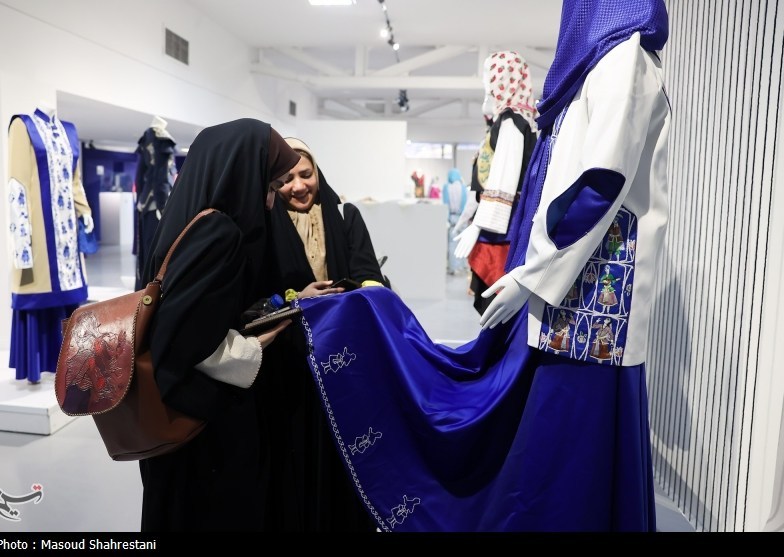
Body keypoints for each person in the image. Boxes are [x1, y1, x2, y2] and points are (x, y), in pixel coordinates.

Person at [286, 0, 669, 531]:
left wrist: (530, 275)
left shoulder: (622, 61)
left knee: (572, 448)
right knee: (557, 449)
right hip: (566, 291)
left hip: (589, 302)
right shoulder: (599, 68)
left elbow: (599, 182)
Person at [138, 118, 302, 531]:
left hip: (174, 427)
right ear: (242, 172)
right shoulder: (219, 232)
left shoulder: (184, 220)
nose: (271, 202)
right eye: (269, 186)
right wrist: (256, 345)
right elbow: (184, 340)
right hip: (204, 433)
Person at [255, 136, 385, 531]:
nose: (298, 186)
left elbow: (369, 274)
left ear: (318, 172)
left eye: (306, 174)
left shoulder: (345, 215)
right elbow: (257, 293)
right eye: (285, 179)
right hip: (288, 364)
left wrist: (356, 291)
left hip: (342, 359)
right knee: (296, 450)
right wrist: (296, 298)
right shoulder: (263, 226)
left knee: (343, 450)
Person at [6, 103, 94, 383]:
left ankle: (72, 364)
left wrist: (85, 211)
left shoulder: (69, 131)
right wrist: (22, 237)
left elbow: (74, 180)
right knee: (40, 289)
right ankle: (37, 366)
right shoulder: (23, 125)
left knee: (69, 292)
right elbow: (17, 183)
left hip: (66, 231)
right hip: (40, 232)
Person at [453, 50, 539, 316]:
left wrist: (478, 225)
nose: (488, 89)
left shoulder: (512, 121)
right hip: (502, 224)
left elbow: (504, 178)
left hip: (501, 229)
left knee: (495, 302)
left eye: (489, 81)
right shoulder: (520, 120)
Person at [134, 115, 177, 290]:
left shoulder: (146, 138)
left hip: (145, 204)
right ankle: (155, 288)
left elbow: (141, 177)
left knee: (146, 249)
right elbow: (161, 177)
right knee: (158, 249)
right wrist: (162, 206)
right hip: (157, 205)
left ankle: (145, 287)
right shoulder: (161, 140)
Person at [441, 168, 467, 275]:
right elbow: (465, 205)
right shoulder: (463, 187)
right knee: (462, 243)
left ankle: (453, 267)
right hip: (462, 218)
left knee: (452, 244)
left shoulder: (446, 187)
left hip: (452, 218)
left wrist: (447, 218)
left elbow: (445, 204)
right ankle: (462, 266)